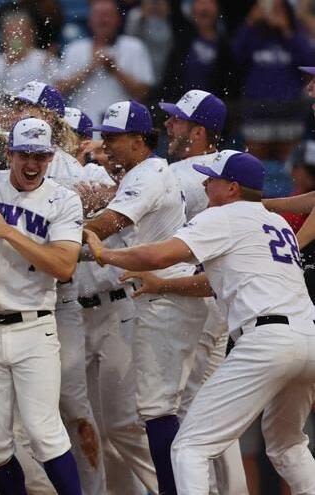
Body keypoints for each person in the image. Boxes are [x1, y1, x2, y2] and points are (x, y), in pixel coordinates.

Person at [84, 150, 315, 494]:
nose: (206, 183)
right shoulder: (275, 223)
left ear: (233, 188)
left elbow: (158, 253)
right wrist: (162, 284)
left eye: (213, 178)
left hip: (267, 342)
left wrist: (104, 254)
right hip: (307, 338)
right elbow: (215, 282)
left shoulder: (222, 217)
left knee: (189, 447)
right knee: (288, 446)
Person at [83, 100, 209, 495]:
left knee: (159, 412)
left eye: (115, 138)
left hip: (166, 297)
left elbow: (108, 224)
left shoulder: (150, 171)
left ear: (139, 140)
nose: (108, 145)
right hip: (150, 299)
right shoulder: (138, 173)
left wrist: (56, 233)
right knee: (129, 420)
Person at [0, 117, 83, 495]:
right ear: (9, 153)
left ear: (51, 157)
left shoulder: (63, 199)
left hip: (34, 326)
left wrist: (8, 232)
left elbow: (64, 266)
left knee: (44, 432)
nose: (32, 165)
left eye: (41, 156)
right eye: (24, 155)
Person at [159, 89, 249, 494]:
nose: (167, 124)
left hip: (195, 300)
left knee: (189, 409)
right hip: (220, 301)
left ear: (198, 131)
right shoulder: (226, 170)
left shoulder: (186, 173)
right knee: (211, 408)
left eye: (176, 120)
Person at [233, 0, 315, 161]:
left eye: (279, 9)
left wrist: (286, 31)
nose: (273, 14)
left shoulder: (295, 35)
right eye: (270, 9)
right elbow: (234, 57)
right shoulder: (253, 35)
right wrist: (250, 21)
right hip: (257, 113)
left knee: (290, 168)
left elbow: (309, 62)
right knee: (255, 167)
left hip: (289, 113)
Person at [54, 0, 154, 123]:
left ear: (118, 20)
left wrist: (114, 70)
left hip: (120, 126)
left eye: (108, 15)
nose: (103, 20)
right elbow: (59, 89)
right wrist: (89, 68)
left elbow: (143, 92)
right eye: (98, 15)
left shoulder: (134, 47)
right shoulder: (75, 48)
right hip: (81, 126)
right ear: (90, 20)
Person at [0, 11, 57, 125]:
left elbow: (54, 92)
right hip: (5, 116)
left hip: (36, 115)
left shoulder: (43, 58)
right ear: (3, 37)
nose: (17, 38)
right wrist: (9, 65)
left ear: (31, 35)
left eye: (22, 33)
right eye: (11, 34)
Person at [159, 0, 237, 106]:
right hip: (182, 109)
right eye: (200, 2)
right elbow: (170, 79)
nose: (204, 7)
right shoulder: (182, 42)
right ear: (192, 10)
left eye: (209, 2)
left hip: (212, 110)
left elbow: (231, 83)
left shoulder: (226, 47)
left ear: (218, 10)